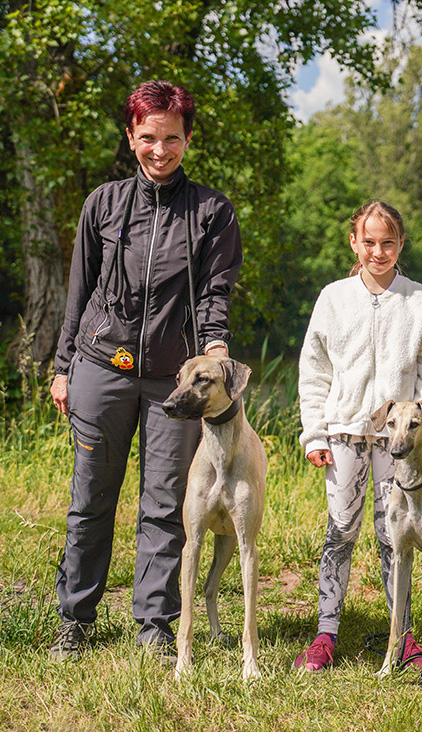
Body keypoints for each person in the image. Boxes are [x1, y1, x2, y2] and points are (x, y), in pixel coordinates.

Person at [49, 80, 242, 659]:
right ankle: (76, 620)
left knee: (164, 505)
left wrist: (214, 349)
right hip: (99, 367)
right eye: (150, 138)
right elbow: (78, 291)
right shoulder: (102, 205)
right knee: (90, 499)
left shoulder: (211, 211)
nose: (162, 150)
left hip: (172, 382)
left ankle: (156, 626)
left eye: (173, 139)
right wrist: (62, 367)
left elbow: (214, 294)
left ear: (188, 140)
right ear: (131, 137)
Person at [294, 200, 422, 672]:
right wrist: (314, 434)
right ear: (354, 242)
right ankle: (325, 634)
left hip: (395, 441)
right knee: (340, 529)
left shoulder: (419, 299)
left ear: (400, 243)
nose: (378, 251)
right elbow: (314, 370)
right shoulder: (333, 298)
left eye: (388, 243)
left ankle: (401, 636)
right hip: (342, 432)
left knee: (391, 532)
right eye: (369, 242)